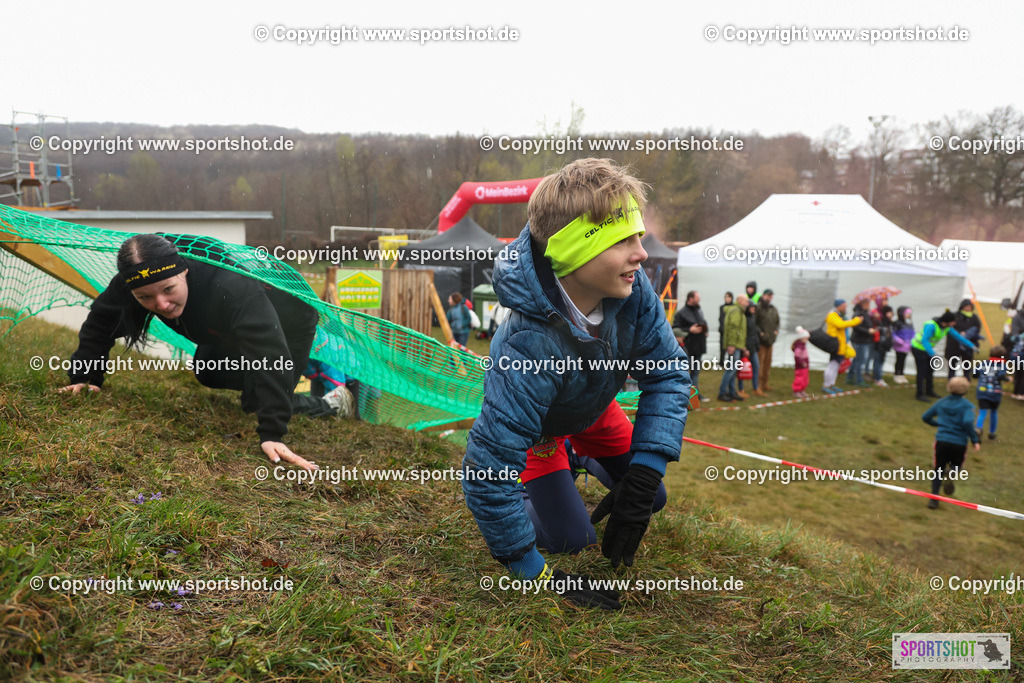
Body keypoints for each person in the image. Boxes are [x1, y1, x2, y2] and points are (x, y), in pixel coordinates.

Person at [461, 158, 690, 611]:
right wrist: (530, 568)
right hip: (542, 432)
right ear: (574, 251)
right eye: (623, 239)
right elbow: (486, 470)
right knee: (571, 539)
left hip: (594, 407)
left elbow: (668, 372)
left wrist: (645, 473)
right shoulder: (528, 345)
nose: (641, 253)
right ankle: (552, 468)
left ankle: (581, 454)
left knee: (653, 497)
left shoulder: (636, 289)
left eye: (638, 235)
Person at [61, 233, 353, 471]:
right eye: (145, 297)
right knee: (209, 371)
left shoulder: (232, 287)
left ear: (184, 272)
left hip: (289, 320)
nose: (160, 304)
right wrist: (87, 378)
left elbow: (270, 356)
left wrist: (271, 433)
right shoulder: (132, 282)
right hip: (222, 324)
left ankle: (332, 404)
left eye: (168, 289)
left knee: (260, 398)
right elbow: (100, 323)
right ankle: (266, 394)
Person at [921, 377, 980, 509]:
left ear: (949, 388)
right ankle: (952, 471)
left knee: (938, 470)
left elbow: (925, 417)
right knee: (957, 465)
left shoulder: (941, 402)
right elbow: (967, 423)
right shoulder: (968, 406)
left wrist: (938, 424)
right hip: (959, 443)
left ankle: (933, 500)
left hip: (941, 441)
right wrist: (974, 440)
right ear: (966, 390)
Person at [910, 311, 979, 402]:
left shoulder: (947, 328)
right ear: (948, 321)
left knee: (930, 370)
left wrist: (972, 346)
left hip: (928, 350)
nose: (955, 323)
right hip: (918, 349)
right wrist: (933, 354)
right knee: (922, 371)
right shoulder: (931, 326)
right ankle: (919, 394)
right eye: (953, 321)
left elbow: (959, 337)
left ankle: (929, 391)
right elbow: (925, 340)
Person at [673, 290, 709, 401]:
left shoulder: (698, 310)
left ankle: (694, 396)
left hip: (699, 346)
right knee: (684, 374)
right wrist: (690, 330)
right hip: (688, 348)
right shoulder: (681, 313)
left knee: (695, 373)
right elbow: (675, 329)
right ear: (690, 299)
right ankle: (683, 396)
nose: (699, 299)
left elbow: (703, 322)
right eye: (697, 297)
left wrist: (705, 330)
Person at [822, 299, 862, 394]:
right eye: (844, 306)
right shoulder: (832, 315)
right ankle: (826, 385)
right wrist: (856, 320)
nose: (845, 308)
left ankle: (832, 384)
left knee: (836, 366)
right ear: (839, 306)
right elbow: (841, 325)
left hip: (840, 345)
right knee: (832, 365)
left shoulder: (839, 315)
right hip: (835, 344)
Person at [718, 294, 748, 402]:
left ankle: (732, 391)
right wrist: (731, 344)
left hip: (737, 345)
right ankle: (722, 392)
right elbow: (733, 329)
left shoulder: (738, 311)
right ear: (740, 301)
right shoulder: (736, 311)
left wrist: (742, 346)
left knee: (733, 370)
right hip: (734, 345)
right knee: (731, 370)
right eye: (745, 301)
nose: (747, 303)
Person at [975, 345, 1008, 440]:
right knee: (994, 412)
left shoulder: (983, 363)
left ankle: (978, 428)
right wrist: (1007, 378)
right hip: (995, 393)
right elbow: (1001, 376)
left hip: (982, 391)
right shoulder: (1002, 365)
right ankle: (992, 433)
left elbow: (975, 374)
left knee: (982, 412)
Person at [946, 299, 982, 379]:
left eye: (970, 307)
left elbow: (978, 327)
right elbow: (950, 328)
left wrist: (969, 334)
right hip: (954, 345)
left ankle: (966, 379)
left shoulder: (974, 317)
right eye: (966, 307)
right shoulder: (955, 316)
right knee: (953, 364)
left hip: (968, 346)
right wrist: (960, 333)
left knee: (966, 364)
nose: (968, 308)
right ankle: (951, 379)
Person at [755, 288, 780, 393]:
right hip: (761, 342)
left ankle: (765, 384)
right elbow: (754, 323)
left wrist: (776, 331)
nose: (769, 297)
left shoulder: (773, 309)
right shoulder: (758, 308)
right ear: (764, 296)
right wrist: (760, 333)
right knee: (759, 365)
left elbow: (777, 322)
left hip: (770, 341)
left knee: (767, 364)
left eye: (771, 295)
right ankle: (758, 386)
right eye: (768, 295)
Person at [847, 300, 875, 387]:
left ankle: (849, 377)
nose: (868, 305)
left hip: (863, 339)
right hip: (859, 340)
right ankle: (859, 380)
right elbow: (856, 326)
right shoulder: (858, 314)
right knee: (860, 360)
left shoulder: (865, 313)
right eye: (866, 303)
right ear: (861, 304)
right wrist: (868, 331)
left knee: (857, 359)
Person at [737, 299, 760, 399]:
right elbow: (743, 334)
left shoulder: (752, 317)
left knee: (756, 366)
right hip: (746, 348)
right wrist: (745, 349)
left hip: (753, 347)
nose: (754, 309)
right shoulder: (744, 318)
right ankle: (740, 389)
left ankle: (756, 388)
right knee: (741, 369)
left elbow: (753, 333)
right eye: (752, 307)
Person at [869, 305, 894, 387]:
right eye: (889, 312)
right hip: (880, 345)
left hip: (885, 345)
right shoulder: (881, 321)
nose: (891, 314)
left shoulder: (889, 322)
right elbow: (882, 332)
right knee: (878, 361)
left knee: (881, 361)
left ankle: (878, 377)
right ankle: (877, 378)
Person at [892, 306, 915, 385]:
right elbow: (893, 333)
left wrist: (912, 340)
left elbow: (912, 332)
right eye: (907, 313)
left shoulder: (909, 322)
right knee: (899, 360)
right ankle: (897, 374)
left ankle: (901, 374)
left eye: (910, 313)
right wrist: (899, 341)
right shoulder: (897, 323)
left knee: (903, 360)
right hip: (900, 345)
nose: (909, 315)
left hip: (907, 345)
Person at [792, 326, 810, 398]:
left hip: (804, 366)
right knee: (799, 379)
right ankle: (796, 391)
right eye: (806, 338)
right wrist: (802, 362)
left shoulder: (803, 345)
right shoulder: (799, 346)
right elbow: (797, 356)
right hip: (800, 367)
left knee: (805, 378)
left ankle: (802, 390)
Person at [718, 291, 733, 363]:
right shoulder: (722, 307)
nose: (727, 299)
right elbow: (721, 318)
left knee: (731, 347)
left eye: (729, 297)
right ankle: (721, 362)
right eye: (726, 297)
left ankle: (730, 362)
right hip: (723, 331)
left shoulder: (734, 308)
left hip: (731, 332)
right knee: (722, 347)